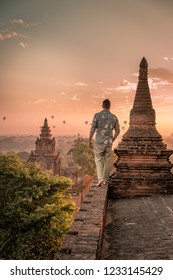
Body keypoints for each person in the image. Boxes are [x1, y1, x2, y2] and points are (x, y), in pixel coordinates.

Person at [88, 99, 120, 186]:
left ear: (102, 106)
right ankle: (105, 179)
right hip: (108, 143)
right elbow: (117, 131)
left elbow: (92, 129)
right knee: (108, 161)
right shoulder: (114, 117)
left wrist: (89, 140)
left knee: (98, 160)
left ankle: (100, 179)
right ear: (110, 106)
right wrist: (112, 140)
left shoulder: (97, 115)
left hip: (98, 142)